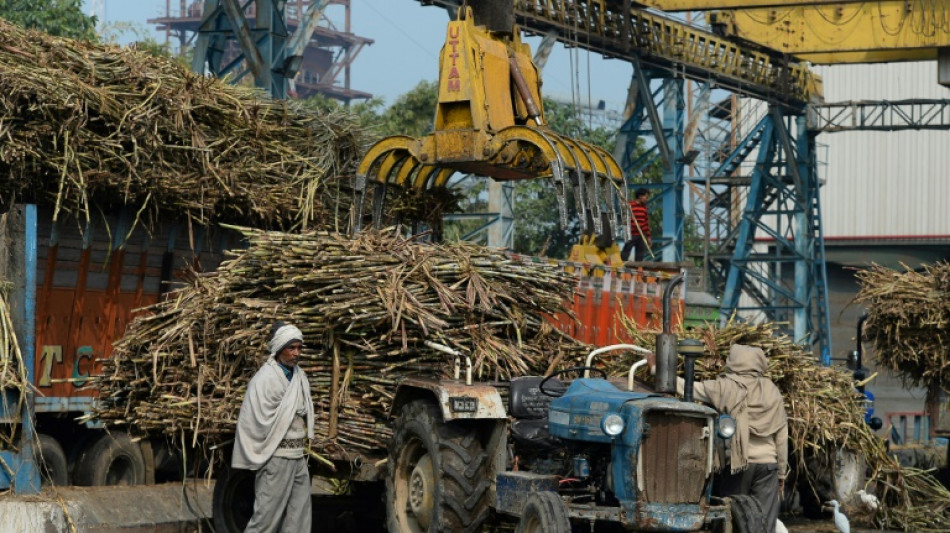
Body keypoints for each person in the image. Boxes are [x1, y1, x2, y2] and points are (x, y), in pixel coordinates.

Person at [650, 344, 788, 533]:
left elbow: (686, 387)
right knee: (765, 522)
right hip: (767, 465)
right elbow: (781, 435)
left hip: (738, 464)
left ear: (733, 361)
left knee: (732, 518)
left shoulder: (723, 387)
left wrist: (655, 369)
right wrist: (781, 472)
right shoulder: (772, 391)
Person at [233, 322, 315, 533]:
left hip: (298, 457)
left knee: (299, 519)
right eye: (291, 348)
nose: (296, 353)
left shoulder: (300, 376)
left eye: (299, 348)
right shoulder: (264, 379)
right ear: (279, 349)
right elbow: (254, 421)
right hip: (275, 458)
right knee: (266, 519)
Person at [621, 187, 651, 262]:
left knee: (639, 256)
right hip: (631, 234)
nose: (647, 199)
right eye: (646, 197)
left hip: (641, 236)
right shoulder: (630, 205)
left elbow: (646, 224)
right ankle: (621, 268)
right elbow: (624, 217)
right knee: (625, 254)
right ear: (640, 196)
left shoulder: (644, 209)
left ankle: (638, 271)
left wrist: (648, 237)